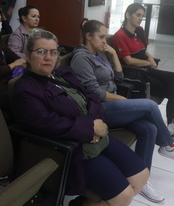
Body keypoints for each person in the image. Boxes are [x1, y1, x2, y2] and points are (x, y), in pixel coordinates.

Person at [12, 29, 149, 206]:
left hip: (97, 136)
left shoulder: (63, 73)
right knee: (124, 197)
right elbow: (46, 124)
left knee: (141, 177)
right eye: (41, 51)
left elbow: (91, 96)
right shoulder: (26, 90)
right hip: (72, 150)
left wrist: (96, 123)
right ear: (28, 55)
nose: (48, 57)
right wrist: (89, 128)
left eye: (53, 52)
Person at [71, 19, 174, 203]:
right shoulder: (81, 57)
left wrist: (112, 55)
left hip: (113, 103)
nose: (105, 41)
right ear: (88, 36)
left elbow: (118, 77)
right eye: (101, 37)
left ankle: (142, 182)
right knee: (149, 105)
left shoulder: (100, 53)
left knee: (149, 128)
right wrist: (122, 100)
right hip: (99, 109)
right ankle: (167, 144)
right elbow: (94, 92)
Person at [112, 3, 174, 130]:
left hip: (146, 69)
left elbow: (143, 49)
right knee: (171, 87)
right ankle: (171, 125)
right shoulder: (120, 36)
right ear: (128, 15)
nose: (140, 18)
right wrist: (148, 63)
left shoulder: (139, 30)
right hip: (136, 72)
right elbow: (128, 61)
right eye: (138, 15)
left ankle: (172, 124)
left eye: (142, 16)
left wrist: (150, 57)